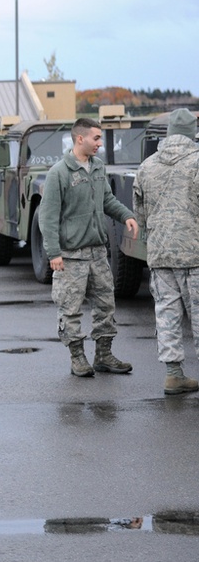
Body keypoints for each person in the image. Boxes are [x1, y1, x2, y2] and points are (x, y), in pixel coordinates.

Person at [39, 117, 139, 378]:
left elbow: (107, 199)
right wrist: (54, 253)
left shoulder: (97, 167)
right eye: (96, 138)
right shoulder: (59, 173)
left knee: (106, 305)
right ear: (79, 138)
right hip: (71, 257)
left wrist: (126, 215)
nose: (99, 144)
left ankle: (103, 355)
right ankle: (77, 357)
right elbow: (47, 217)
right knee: (70, 309)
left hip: (97, 253)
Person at [133, 108, 199, 395]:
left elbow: (140, 213)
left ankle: (174, 374)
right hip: (195, 253)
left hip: (160, 253)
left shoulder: (147, 166)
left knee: (167, 313)